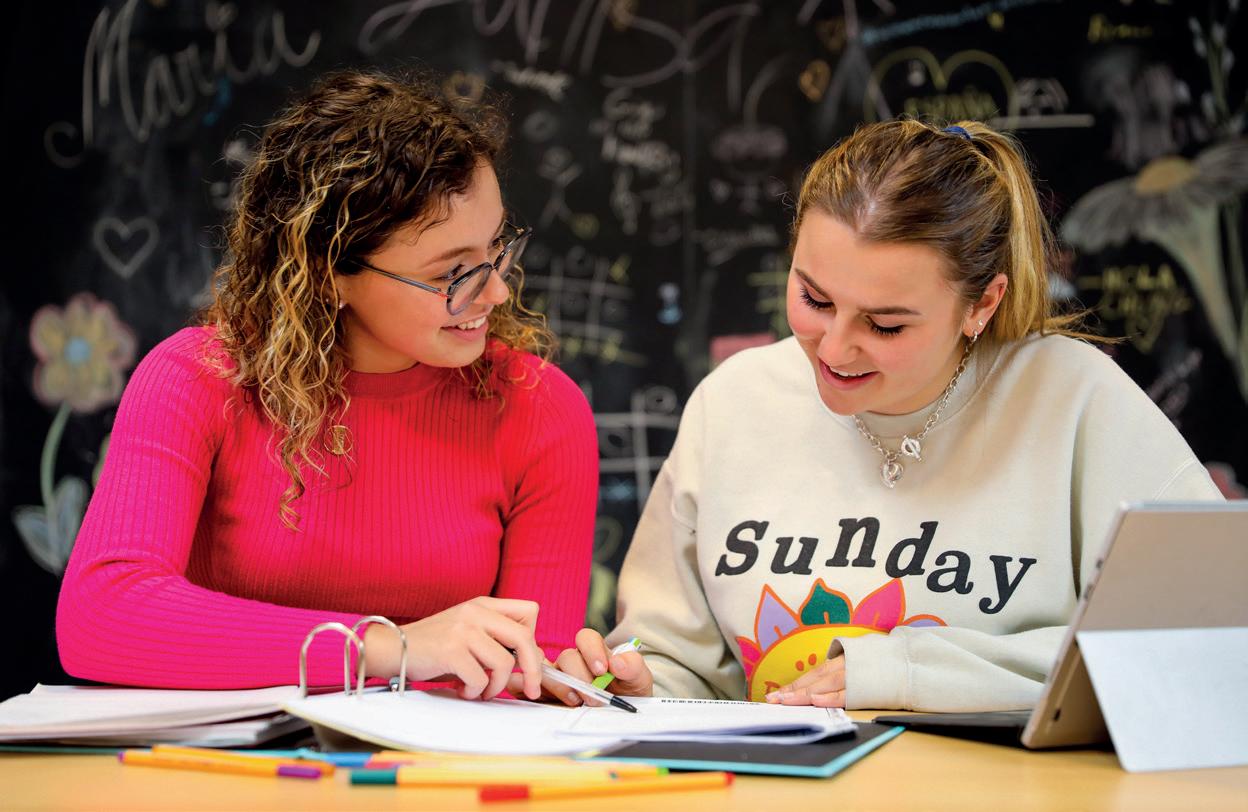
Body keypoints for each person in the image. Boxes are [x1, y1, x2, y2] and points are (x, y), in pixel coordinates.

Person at [535, 119, 1223, 712]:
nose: (834, 349)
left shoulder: (1073, 397)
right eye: (814, 299)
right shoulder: (735, 401)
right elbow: (680, 662)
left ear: (982, 305)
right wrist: (639, 683)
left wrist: (910, 673)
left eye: (886, 325)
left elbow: (1206, 636)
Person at [56, 70, 598, 701]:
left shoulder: (540, 407)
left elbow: (527, 672)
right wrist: (389, 647)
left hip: (429, 762)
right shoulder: (196, 380)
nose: (497, 291)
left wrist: (574, 678)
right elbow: (103, 616)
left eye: (497, 247)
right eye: (452, 273)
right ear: (329, 272)